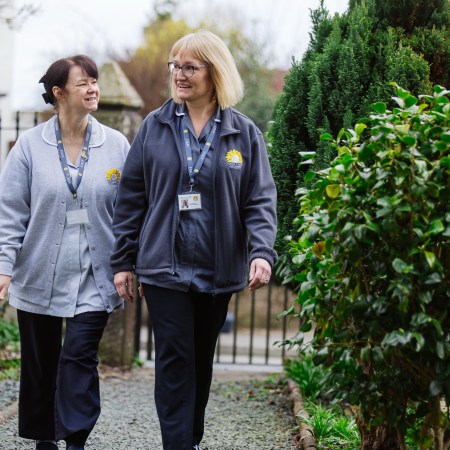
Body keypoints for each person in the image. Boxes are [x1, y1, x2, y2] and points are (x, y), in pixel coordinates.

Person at [110, 30, 277, 450]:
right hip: (163, 266)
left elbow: (259, 199)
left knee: (200, 358)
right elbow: (131, 197)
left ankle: (191, 438)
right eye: (175, 66)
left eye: (190, 67)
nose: (179, 75)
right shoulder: (155, 126)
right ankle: (178, 444)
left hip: (217, 268)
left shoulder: (243, 133)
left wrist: (261, 251)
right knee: (174, 358)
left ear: (214, 72)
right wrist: (123, 261)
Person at [0, 55, 130, 450]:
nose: (93, 88)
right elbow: (11, 212)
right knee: (40, 363)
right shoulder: (29, 146)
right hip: (39, 271)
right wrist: (4, 265)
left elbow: (130, 211)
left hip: (95, 274)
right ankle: (44, 438)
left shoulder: (116, 145)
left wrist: (129, 263)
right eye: (83, 82)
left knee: (79, 356)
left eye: (94, 81)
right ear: (59, 93)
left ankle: (75, 438)